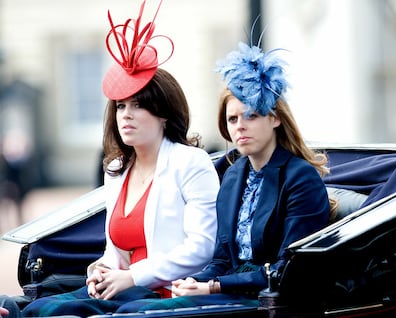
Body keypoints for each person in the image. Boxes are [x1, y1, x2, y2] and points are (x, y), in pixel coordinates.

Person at [22, 1, 219, 316]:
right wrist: (100, 270)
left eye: (137, 105)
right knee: (39, 308)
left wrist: (132, 277)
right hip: (126, 291)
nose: (126, 116)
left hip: (169, 295)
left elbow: (201, 249)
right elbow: (115, 252)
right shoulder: (116, 169)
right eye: (120, 106)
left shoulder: (191, 163)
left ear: (163, 114)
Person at [114, 33, 334, 314]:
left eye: (251, 115)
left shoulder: (300, 178)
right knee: (132, 308)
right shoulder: (233, 175)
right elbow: (220, 258)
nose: (240, 126)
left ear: (275, 118)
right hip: (227, 292)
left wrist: (214, 286)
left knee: (137, 313)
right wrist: (194, 281)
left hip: (267, 300)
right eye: (232, 119)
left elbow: (289, 269)